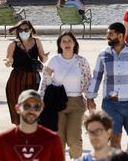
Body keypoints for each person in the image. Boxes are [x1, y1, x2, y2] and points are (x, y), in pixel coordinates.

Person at [86, 23, 128, 154]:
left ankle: (126, 157)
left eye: (110, 34)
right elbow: (97, 76)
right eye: (107, 33)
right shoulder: (103, 54)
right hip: (111, 105)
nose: (107, 36)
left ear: (120, 36)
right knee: (114, 139)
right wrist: (90, 97)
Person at [39, 31, 91, 160]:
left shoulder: (81, 61)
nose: (67, 43)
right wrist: (40, 98)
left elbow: (88, 82)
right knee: (58, 138)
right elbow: (44, 79)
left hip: (76, 103)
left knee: (74, 139)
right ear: (60, 45)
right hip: (57, 103)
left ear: (74, 44)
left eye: (69, 41)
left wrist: (91, 99)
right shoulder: (54, 60)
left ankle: (76, 158)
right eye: (64, 41)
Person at [0, 89, 63, 161]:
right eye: (27, 106)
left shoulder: (53, 139)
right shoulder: (3, 140)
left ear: (42, 109)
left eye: (36, 107)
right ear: (17, 108)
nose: (32, 110)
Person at [4, 21, 47, 126]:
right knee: (18, 105)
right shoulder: (13, 44)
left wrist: (45, 57)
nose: (23, 32)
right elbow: (9, 59)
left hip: (33, 77)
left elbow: (43, 58)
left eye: (26, 29)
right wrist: (8, 62)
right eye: (21, 30)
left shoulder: (37, 42)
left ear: (31, 30)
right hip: (17, 78)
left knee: (35, 104)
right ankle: (21, 130)